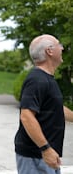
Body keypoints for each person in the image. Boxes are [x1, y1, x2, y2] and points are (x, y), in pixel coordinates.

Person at [14, 34, 73, 174]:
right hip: (36, 156)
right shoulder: (37, 80)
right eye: (59, 45)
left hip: (45, 155)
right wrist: (46, 149)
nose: (62, 48)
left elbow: (57, 109)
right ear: (49, 51)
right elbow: (26, 116)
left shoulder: (47, 79)